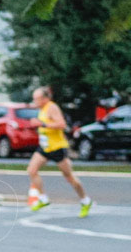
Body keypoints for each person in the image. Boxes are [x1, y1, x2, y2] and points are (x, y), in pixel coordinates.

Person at [27, 86, 92, 217]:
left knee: (69, 177)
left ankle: (85, 200)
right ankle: (43, 199)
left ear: (45, 99)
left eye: (36, 99)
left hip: (57, 147)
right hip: (45, 147)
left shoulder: (52, 107)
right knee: (31, 170)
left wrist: (42, 124)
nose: (34, 101)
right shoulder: (42, 109)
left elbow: (62, 124)